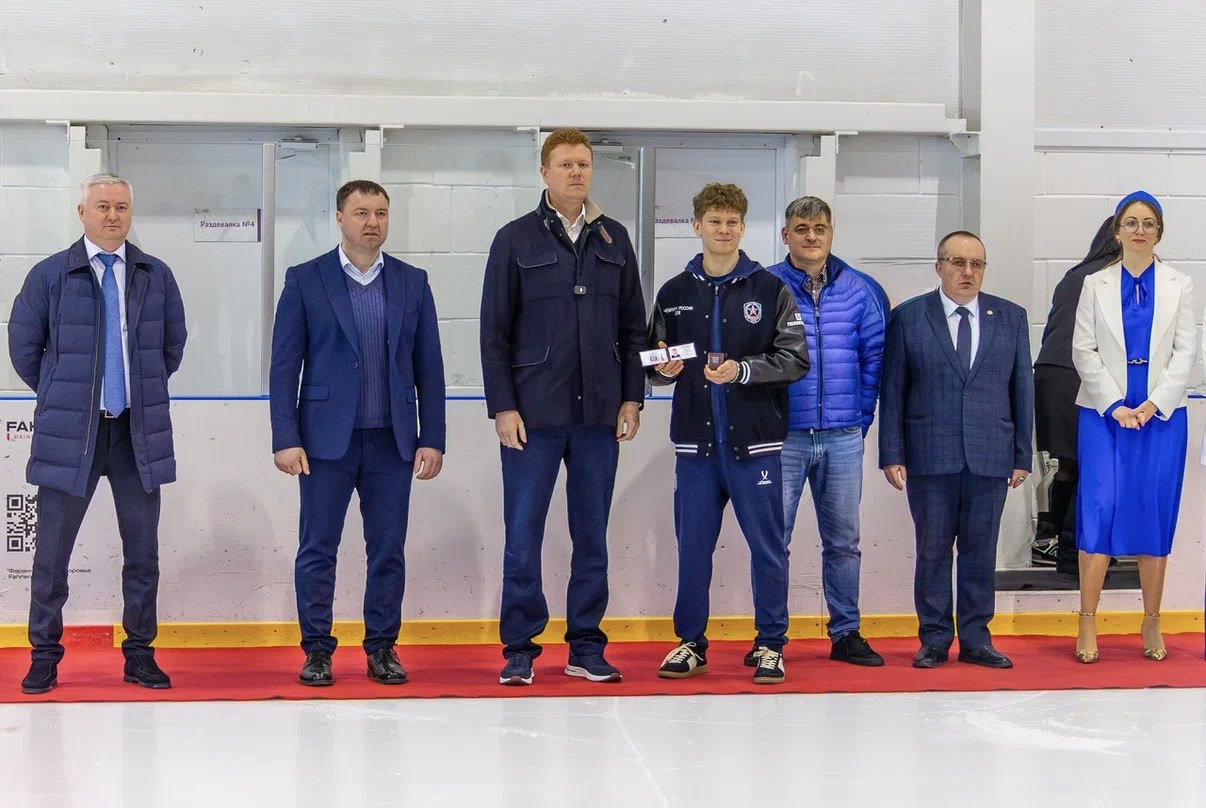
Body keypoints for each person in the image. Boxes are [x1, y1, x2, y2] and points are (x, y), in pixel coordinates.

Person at [8, 173, 187, 694]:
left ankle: (140, 655)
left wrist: (135, 391)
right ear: (81, 212)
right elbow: (24, 348)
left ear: (131, 213)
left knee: (143, 555)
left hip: (137, 435)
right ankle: (44, 656)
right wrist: (64, 393)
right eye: (103, 206)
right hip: (70, 437)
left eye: (122, 207)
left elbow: (171, 347)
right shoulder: (49, 275)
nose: (113, 215)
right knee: (51, 555)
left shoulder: (155, 275)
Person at [480, 129, 646, 686]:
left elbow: (633, 326)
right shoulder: (514, 239)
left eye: (584, 164)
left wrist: (632, 396)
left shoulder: (615, 239)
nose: (577, 172)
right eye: (566, 164)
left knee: (592, 535)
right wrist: (503, 407)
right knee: (522, 534)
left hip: (599, 416)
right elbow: (493, 332)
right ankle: (519, 649)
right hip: (533, 416)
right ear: (545, 172)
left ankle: (586, 646)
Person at [270, 179, 446, 686]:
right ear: (340, 219)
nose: (373, 222)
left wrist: (432, 436)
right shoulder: (306, 279)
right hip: (324, 443)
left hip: (393, 442)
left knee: (387, 550)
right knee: (317, 549)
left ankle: (382, 648)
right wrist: (285, 436)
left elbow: (430, 368)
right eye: (362, 212)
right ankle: (317, 651)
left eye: (381, 213)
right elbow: (284, 367)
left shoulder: (413, 282)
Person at [647, 183, 808, 685]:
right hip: (695, 448)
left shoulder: (770, 289)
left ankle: (770, 644)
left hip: (755, 446)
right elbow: (651, 359)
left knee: (768, 549)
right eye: (714, 221)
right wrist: (660, 369)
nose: (723, 230)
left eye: (732, 222)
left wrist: (742, 371)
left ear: (743, 226)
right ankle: (690, 642)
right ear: (697, 226)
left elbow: (795, 358)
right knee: (693, 549)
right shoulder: (673, 293)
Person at [879, 231, 1032, 670]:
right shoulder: (909, 317)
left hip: (991, 454)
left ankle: (976, 639)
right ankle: (933, 639)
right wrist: (892, 452)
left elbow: (1022, 388)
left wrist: (1022, 454)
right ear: (939, 266)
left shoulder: (1011, 317)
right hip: (930, 454)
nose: (968, 272)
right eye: (957, 262)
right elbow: (894, 389)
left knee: (980, 552)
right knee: (932, 551)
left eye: (976, 264)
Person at [1071, 190, 1195, 664]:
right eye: (1131, 222)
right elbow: (1083, 349)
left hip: (1161, 416)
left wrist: (1155, 402)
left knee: (1153, 511)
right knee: (1098, 510)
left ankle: (1152, 620)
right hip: (1104, 416)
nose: (1139, 230)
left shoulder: (1181, 285)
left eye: (1148, 223)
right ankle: (1087, 620)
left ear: (1159, 232)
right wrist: (1114, 405)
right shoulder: (1094, 284)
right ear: (1117, 230)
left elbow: (1187, 351)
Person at [765, 196, 887, 667]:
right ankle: (770, 638)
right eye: (801, 228)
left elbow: (873, 360)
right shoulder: (766, 286)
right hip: (785, 437)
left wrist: (860, 419)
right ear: (786, 235)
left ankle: (846, 633)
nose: (811, 236)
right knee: (774, 541)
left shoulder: (861, 290)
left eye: (820, 228)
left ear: (831, 232)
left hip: (842, 436)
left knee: (843, 542)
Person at [1033, 217, 1121, 576]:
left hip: (1050, 374)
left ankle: (1048, 539)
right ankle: (1074, 550)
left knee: (1069, 465)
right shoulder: (1113, 276)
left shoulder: (1074, 274)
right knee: (1093, 465)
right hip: (1078, 376)